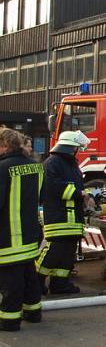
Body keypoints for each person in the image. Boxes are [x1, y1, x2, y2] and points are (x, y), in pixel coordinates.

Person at [36, 130, 94, 295]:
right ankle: (35, 281)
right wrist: (80, 194)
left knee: (68, 254)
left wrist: (86, 196)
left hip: (72, 218)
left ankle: (60, 283)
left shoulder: (70, 163)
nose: (78, 151)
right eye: (77, 148)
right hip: (58, 216)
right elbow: (54, 187)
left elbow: (77, 185)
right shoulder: (52, 163)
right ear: (70, 147)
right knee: (53, 252)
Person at [0, 129, 44, 331]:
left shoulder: (3, 168)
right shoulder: (36, 167)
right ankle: (33, 312)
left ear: (4, 145)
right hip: (30, 233)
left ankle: (9, 320)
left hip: (8, 235)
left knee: (11, 281)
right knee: (29, 274)